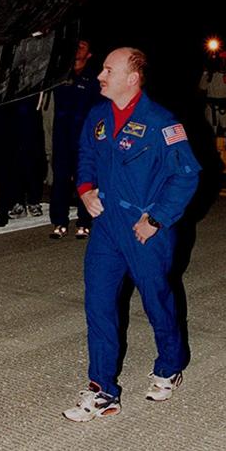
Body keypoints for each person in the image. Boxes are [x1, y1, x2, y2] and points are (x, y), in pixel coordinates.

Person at [63, 48, 201, 421]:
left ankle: (170, 364)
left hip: (145, 230)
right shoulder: (98, 116)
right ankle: (102, 388)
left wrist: (157, 219)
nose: (100, 76)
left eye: (109, 70)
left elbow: (187, 174)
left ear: (133, 77)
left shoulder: (161, 122)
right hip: (107, 227)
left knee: (157, 301)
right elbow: (86, 154)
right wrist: (87, 188)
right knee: (99, 304)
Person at [48, 38, 100, 240]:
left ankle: (84, 222)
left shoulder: (93, 79)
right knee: (60, 179)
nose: (77, 48)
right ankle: (59, 222)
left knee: (84, 178)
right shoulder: (61, 76)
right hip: (62, 136)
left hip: (84, 138)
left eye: (83, 46)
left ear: (89, 55)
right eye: (75, 45)